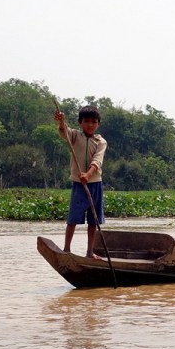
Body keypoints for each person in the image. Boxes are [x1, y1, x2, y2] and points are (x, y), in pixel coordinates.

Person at [54, 104, 108, 259]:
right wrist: (61, 121)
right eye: (86, 121)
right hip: (79, 184)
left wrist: (88, 174)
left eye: (93, 122)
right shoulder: (75, 136)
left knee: (93, 220)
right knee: (73, 218)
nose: (90, 125)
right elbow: (64, 132)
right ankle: (67, 249)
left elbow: (97, 161)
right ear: (80, 122)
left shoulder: (100, 142)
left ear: (98, 124)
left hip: (95, 184)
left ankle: (90, 252)